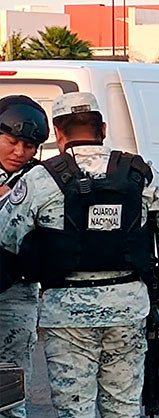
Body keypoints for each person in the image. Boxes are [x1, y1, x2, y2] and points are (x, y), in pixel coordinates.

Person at [0, 92, 159, 417]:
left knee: (75, 408)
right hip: (128, 307)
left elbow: (7, 235)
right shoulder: (138, 171)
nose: (21, 151)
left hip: (67, 314)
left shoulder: (40, 178)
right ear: (102, 127)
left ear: (58, 134)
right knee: (124, 406)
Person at [0, 95, 50, 418]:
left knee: (10, 390)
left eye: (30, 146)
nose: (20, 152)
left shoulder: (41, 181)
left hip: (16, 292)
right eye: (13, 141)